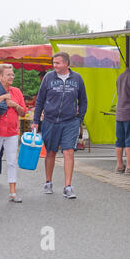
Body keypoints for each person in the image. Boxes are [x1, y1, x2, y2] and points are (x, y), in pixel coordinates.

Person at [32, 52, 87, 199]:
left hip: (70, 122)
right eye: (53, 63)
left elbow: (83, 100)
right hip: (50, 121)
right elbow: (40, 101)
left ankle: (68, 187)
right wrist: (36, 121)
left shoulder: (77, 78)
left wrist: (79, 119)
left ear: (66, 63)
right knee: (50, 152)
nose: (54, 65)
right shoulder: (48, 78)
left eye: (57, 63)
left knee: (69, 152)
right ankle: (48, 182)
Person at [0, 64, 26, 202]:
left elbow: (23, 112)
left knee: (12, 162)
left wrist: (15, 105)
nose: (11, 77)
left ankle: (13, 193)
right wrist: (3, 98)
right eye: (8, 74)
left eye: (12, 74)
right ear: (0, 76)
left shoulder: (16, 91)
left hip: (12, 132)